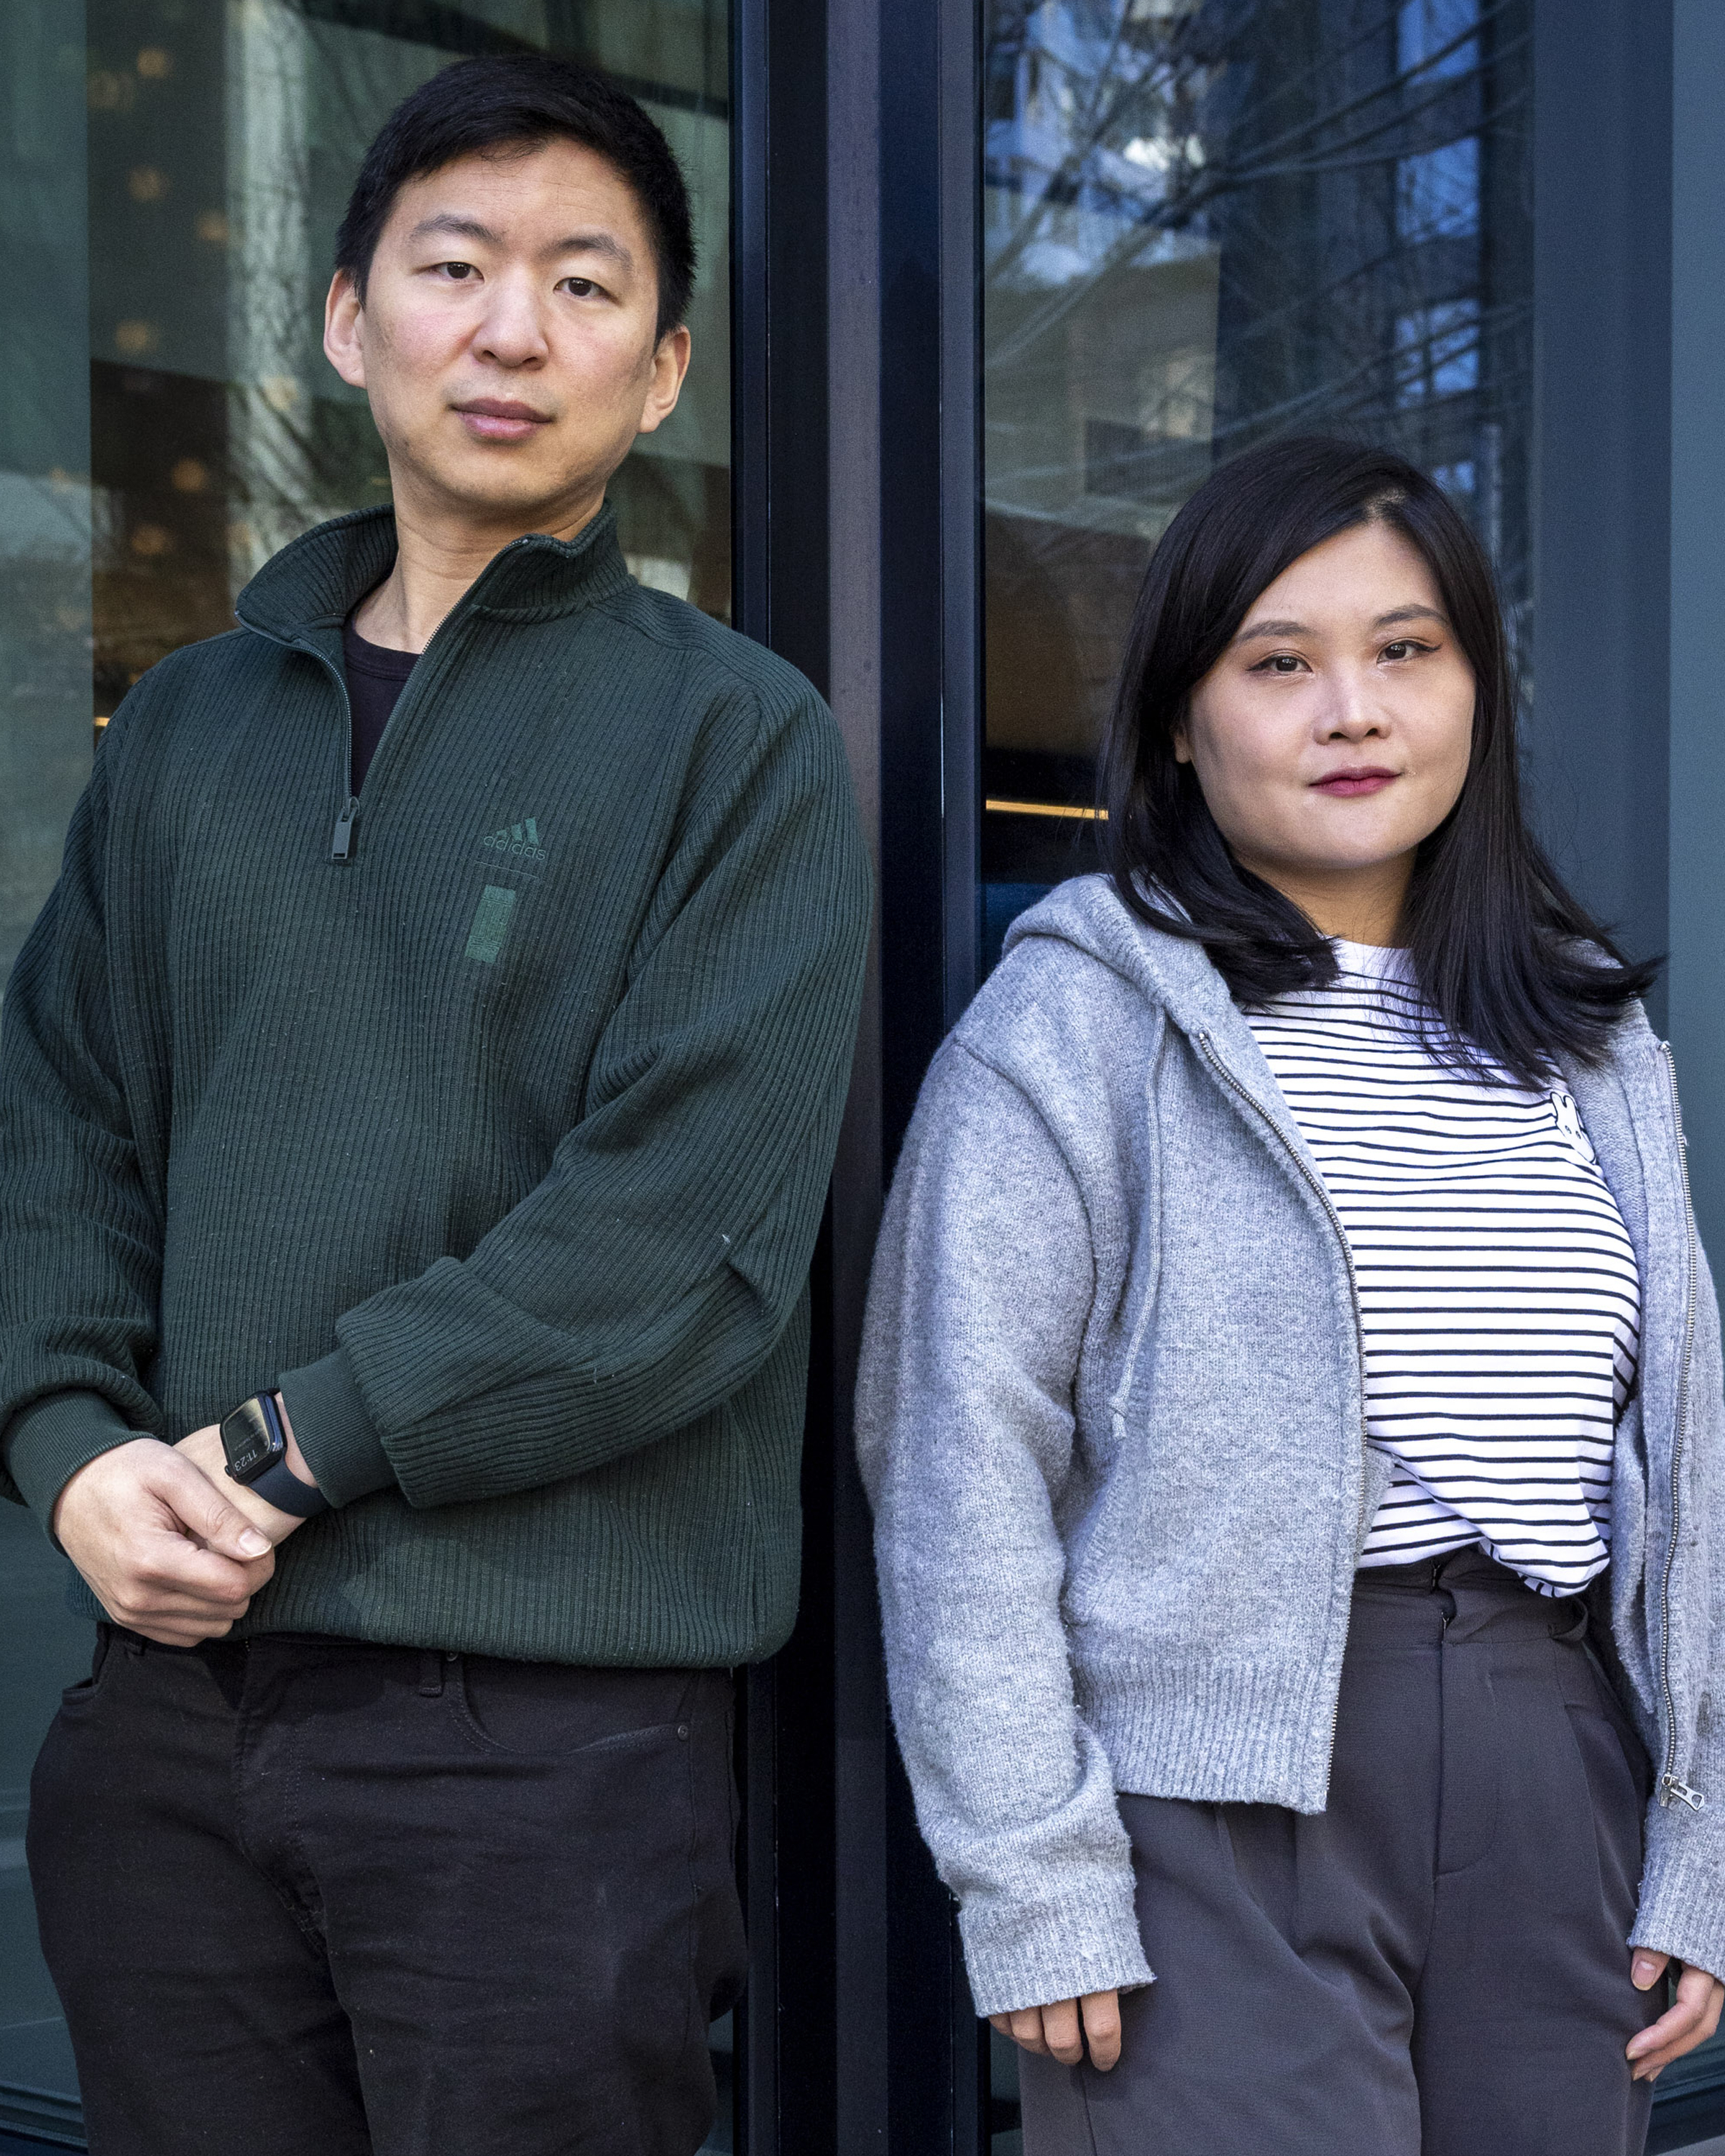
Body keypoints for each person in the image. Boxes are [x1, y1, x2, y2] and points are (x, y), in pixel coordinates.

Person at [0, 52, 870, 2156]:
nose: (510, 330)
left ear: (660, 372)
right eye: (455, 264)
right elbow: (63, 1132)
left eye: (586, 288)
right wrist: (70, 1453)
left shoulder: (738, 742)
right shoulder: (191, 722)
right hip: (172, 1725)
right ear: (342, 316)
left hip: (547, 1748)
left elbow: (679, 1242)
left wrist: (293, 1448)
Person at [857, 436, 1725, 2155]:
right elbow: (956, 1462)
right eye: (1280, 663)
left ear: (1476, 685)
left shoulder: (1589, 1042)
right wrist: (1032, 1872)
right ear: (1184, 720)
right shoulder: (1080, 1023)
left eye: (1407, 651)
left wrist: (1699, 1832)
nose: (1355, 709)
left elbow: (1684, 1465)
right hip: (1213, 1797)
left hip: (1554, 1762)